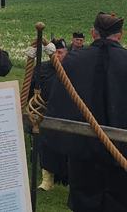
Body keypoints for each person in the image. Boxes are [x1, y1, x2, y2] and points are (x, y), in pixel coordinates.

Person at [45, 12, 127, 211]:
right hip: (122, 150)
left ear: (93, 33)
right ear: (121, 35)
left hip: (83, 150)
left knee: (85, 203)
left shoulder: (74, 60)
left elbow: (57, 103)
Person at [36, 38, 69, 191]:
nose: (57, 56)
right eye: (54, 53)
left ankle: (67, 179)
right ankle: (47, 181)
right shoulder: (42, 68)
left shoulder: (71, 67)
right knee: (47, 147)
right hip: (47, 111)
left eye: (60, 53)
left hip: (68, 113)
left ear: (66, 54)